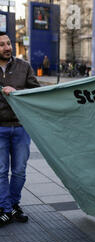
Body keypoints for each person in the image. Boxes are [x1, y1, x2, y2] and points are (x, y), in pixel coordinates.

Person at [0, 32, 40, 227]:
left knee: (19, 171)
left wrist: (18, 92)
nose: (7, 47)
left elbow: (37, 93)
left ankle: (13, 204)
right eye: (2, 45)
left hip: (21, 127)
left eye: (8, 43)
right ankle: (6, 209)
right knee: (0, 171)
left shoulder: (24, 67)